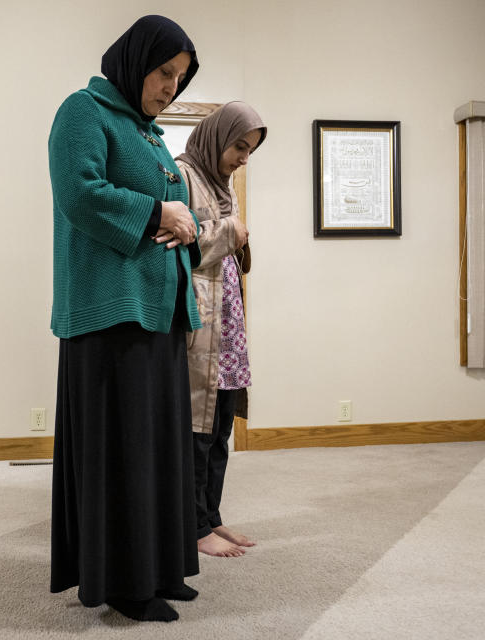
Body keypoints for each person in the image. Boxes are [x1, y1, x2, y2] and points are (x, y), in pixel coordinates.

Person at [48, 15, 204, 623]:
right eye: (164, 71)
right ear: (134, 59)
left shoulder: (150, 134)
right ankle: (125, 583)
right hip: (110, 315)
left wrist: (181, 219)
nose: (170, 87)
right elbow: (79, 194)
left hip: (158, 313)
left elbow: (176, 215)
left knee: (159, 449)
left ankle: (162, 567)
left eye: (180, 78)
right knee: (123, 453)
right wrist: (161, 212)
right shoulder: (82, 111)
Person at [175, 102, 267, 558]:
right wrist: (231, 231)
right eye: (238, 146)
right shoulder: (181, 176)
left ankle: (212, 516)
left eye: (248, 150)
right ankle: (193, 528)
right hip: (202, 329)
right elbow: (178, 247)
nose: (243, 158)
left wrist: (233, 235)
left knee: (221, 430)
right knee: (198, 431)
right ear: (216, 138)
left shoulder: (220, 184)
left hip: (227, 332)